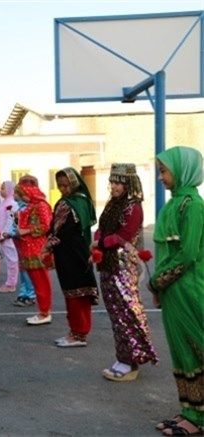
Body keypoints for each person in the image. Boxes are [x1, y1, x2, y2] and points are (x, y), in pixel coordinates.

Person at [150, 146, 204, 436]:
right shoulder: (173, 204)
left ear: (183, 170)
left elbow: (187, 254)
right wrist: (160, 286)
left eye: (164, 171)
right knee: (182, 352)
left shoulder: (192, 205)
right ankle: (190, 410)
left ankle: (199, 418)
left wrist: (156, 282)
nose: (161, 177)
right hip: (173, 290)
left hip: (190, 289)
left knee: (197, 349)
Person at [93, 164, 157, 380]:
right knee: (115, 314)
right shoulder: (114, 204)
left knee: (127, 312)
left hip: (122, 267)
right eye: (112, 181)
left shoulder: (133, 207)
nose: (113, 186)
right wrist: (97, 240)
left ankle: (132, 361)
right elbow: (103, 227)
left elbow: (124, 236)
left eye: (118, 182)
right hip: (108, 264)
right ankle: (123, 358)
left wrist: (99, 242)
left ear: (128, 184)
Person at [44, 168, 99, 347]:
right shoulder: (82, 200)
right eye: (60, 185)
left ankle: (78, 334)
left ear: (74, 183)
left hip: (70, 254)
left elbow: (60, 230)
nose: (63, 189)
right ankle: (76, 332)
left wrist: (46, 248)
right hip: (78, 252)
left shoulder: (69, 203)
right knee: (76, 293)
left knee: (75, 294)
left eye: (66, 185)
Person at [14, 178, 54, 325]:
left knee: (41, 282)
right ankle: (42, 311)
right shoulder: (31, 205)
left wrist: (26, 231)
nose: (21, 197)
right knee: (36, 282)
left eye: (22, 194)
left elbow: (46, 226)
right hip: (29, 248)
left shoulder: (41, 205)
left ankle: (45, 312)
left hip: (37, 249)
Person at [12, 175, 38, 307]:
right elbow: (15, 225)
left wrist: (22, 231)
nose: (14, 195)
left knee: (29, 270)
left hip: (31, 244)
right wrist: (10, 233)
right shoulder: (19, 208)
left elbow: (41, 227)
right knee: (23, 270)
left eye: (17, 193)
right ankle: (24, 293)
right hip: (20, 243)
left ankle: (31, 295)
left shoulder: (35, 207)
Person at [0, 181, 19, 293]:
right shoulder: (4, 202)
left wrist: (4, 234)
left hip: (8, 237)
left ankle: (11, 284)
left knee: (12, 261)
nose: (1, 190)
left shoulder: (12, 204)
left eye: (3, 188)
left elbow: (11, 221)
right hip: (2, 236)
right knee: (9, 260)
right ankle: (10, 282)